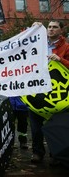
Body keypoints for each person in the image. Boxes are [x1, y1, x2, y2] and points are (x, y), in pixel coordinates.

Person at [30, 20, 69, 165]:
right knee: (35, 124)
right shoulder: (37, 43)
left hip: (58, 94)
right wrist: (31, 30)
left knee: (57, 125)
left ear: (61, 30)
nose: (51, 29)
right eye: (49, 27)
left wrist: (61, 60)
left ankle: (56, 154)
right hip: (37, 90)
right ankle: (37, 152)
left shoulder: (66, 47)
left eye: (55, 27)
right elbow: (19, 46)